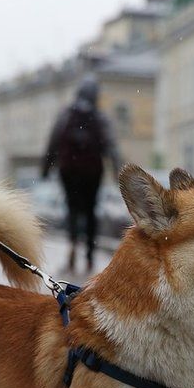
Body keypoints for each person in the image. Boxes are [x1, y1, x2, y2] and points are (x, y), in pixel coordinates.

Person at [41, 76, 122, 273]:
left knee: (72, 208)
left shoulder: (66, 115)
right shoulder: (100, 117)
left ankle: (72, 245)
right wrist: (118, 173)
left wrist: (46, 168)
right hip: (92, 171)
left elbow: (53, 141)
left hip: (69, 169)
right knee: (90, 210)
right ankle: (89, 256)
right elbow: (111, 145)